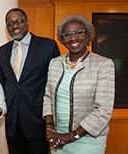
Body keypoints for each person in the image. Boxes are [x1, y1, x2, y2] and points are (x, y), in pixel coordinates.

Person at [43, 14, 115, 154]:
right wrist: (50, 128)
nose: (73, 38)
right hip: (58, 138)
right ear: (62, 40)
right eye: (67, 34)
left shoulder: (103, 64)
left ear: (88, 36)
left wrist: (71, 136)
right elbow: (48, 97)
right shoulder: (55, 63)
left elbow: (103, 110)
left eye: (79, 32)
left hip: (88, 140)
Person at [0, 8, 60, 154]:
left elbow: (55, 83)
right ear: (7, 28)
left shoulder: (48, 46)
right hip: (12, 122)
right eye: (11, 23)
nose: (15, 26)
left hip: (38, 120)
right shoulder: (1, 52)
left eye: (19, 21)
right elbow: (5, 82)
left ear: (27, 22)